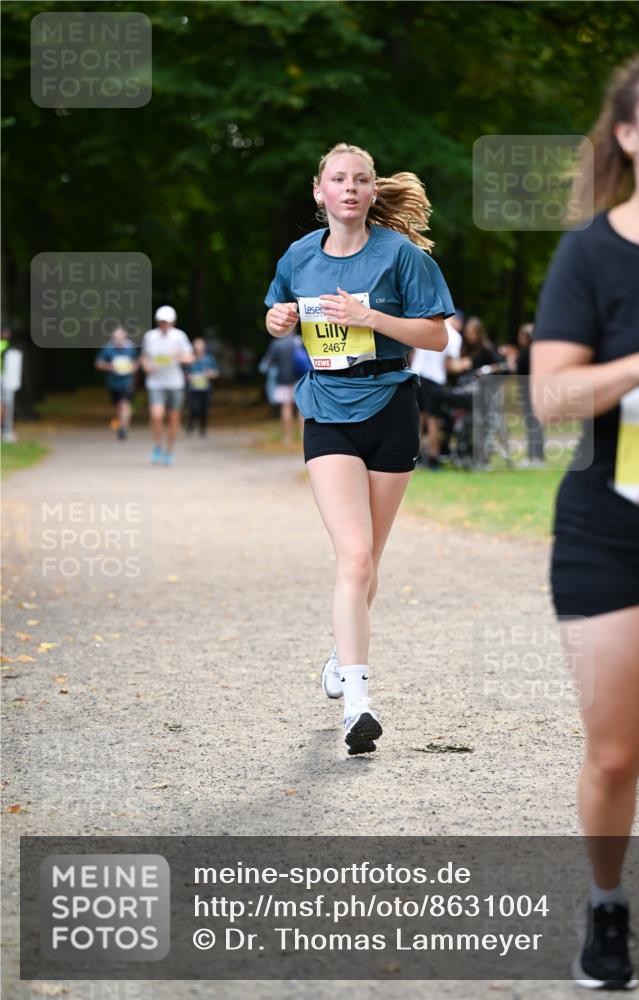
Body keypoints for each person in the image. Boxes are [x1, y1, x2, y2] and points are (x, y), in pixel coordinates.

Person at [531, 44, 639, 991]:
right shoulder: (590, 252)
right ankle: (607, 904)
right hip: (616, 528)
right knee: (617, 753)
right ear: (627, 135)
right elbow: (550, 397)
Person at [264, 142, 454, 755]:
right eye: (338, 179)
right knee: (353, 556)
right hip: (326, 409)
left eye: (361, 179)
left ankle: (340, 658)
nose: (349, 188)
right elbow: (276, 306)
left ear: (373, 193)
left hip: (391, 407)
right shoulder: (298, 256)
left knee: (367, 562)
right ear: (318, 192)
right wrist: (278, 320)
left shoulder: (400, 256)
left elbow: (437, 335)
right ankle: (358, 703)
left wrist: (372, 320)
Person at [141, 305, 194, 465]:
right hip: (155, 382)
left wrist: (178, 357)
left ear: (173, 322)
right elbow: (144, 357)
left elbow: (190, 357)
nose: (164, 325)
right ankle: (157, 446)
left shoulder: (179, 336)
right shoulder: (150, 336)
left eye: (167, 322)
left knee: (173, 419)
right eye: (162, 322)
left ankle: (169, 450)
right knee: (157, 416)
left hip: (175, 383)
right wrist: (146, 367)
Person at [409, 317, 463, 469]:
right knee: (434, 420)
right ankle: (434, 456)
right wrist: (464, 365)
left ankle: (415, 455)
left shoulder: (425, 326)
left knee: (418, 418)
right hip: (434, 379)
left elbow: (412, 354)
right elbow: (449, 365)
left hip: (417, 375)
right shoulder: (454, 336)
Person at [260, 332, 307, 444]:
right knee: (301, 409)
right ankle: (303, 436)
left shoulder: (276, 344)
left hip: (282, 380)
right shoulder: (299, 342)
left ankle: (288, 437)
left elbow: (267, 364)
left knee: (286, 408)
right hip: (299, 379)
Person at [94, 326, 140, 440]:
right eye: (116, 337)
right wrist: (110, 367)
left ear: (125, 337)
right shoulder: (107, 349)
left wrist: (133, 368)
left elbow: (137, 361)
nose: (119, 340)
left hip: (127, 381)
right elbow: (98, 363)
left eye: (121, 337)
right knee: (118, 406)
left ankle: (123, 427)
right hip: (113, 383)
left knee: (124, 404)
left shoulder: (131, 348)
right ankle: (122, 423)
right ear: (113, 338)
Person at [515, 323, 544, 467]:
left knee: (533, 424)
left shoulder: (528, 353)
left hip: (531, 392)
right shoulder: (534, 352)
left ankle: (535, 456)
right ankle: (534, 456)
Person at [186, 338, 219, 437]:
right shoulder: (189, 358)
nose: (198, 349)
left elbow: (216, 372)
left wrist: (210, 374)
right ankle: (191, 422)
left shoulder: (209, 359)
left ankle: (202, 429)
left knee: (204, 410)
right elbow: (184, 372)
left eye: (200, 347)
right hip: (193, 388)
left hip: (206, 388)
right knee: (194, 408)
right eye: (197, 347)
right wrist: (188, 377)